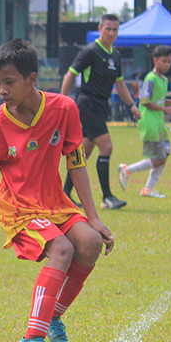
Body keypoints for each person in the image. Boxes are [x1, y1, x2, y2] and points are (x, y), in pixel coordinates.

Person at [0, 39, 114, 342]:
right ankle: (31, 338)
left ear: (32, 79)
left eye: (9, 82)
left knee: (91, 243)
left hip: (55, 202)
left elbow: (76, 162)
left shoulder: (64, 109)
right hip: (19, 209)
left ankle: (52, 317)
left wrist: (93, 217)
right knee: (63, 249)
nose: (2, 90)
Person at [60, 13, 140, 210]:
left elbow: (119, 84)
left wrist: (132, 105)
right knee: (107, 147)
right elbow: (70, 75)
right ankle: (107, 197)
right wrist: (62, 102)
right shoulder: (90, 51)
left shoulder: (116, 55)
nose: (111, 33)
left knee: (83, 153)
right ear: (100, 28)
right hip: (88, 104)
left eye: (115, 29)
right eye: (108, 29)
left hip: (101, 105)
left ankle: (63, 195)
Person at [118, 45, 171, 199]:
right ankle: (127, 169)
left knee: (164, 156)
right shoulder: (150, 79)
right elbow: (144, 101)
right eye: (164, 61)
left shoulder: (162, 80)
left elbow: (160, 101)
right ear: (155, 60)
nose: (167, 65)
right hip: (150, 123)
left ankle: (148, 189)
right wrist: (165, 110)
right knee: (159, 158)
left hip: (159, 123)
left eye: (169, 62)